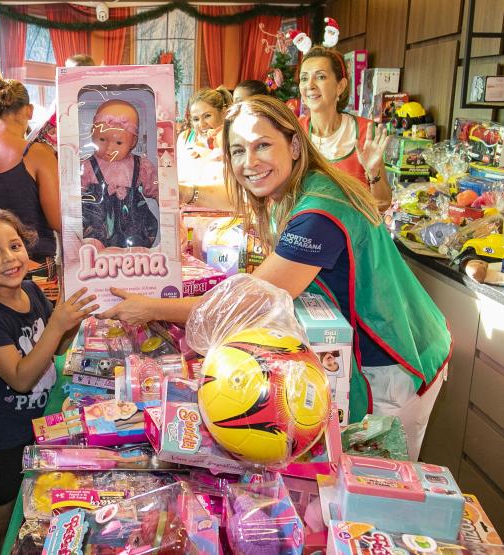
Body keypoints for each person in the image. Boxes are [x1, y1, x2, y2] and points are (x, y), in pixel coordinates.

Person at [101, 96, 451, 460]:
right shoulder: (299, 185)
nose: (249, 162)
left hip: (394, 363)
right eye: (238, 150)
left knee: (374, 487)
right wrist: (174, 190)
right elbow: (232, 192)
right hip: (380, 346)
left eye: (263, 145)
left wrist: (150, 308)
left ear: (294, 144)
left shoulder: (318, 212)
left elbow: (248, 302)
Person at [0, 208, 97, 555]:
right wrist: (56, 325)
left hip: (37, 425)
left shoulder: (32, 293)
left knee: (29, 511)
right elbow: (20, 378)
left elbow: (56, 347)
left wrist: (73, 319)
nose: (9, 259)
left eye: (15, 246)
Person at [0, 69, 61, 301]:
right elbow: (57, 221)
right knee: (41, 333)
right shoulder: (38, 153)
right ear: (29, 110)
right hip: (32, 265)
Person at [297, 45, 391, 210]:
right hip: (306, 232)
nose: (309, 85)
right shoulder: (294, 131)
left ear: (340, 86)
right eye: (304, 78)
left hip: (353, 233)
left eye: (320, 76)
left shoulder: (364, 132)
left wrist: (373, 172)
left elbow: (382, 205)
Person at [81, 99, 159, 249]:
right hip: (97, 225)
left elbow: (158, 192)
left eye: (118, 143)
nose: (109, 148)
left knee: (137, 249)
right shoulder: (87, 166)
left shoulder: (141, 166)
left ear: (133, 142)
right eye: (102, 139)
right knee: (92, 246)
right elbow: (71, 200)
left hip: (133, 227)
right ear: (92, 134)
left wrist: (172, 217)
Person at [177, 87, 234, 210]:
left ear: (223, 113)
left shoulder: (234, 139)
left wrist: (221, 142)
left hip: (224, 215)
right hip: (188, 216)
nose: (201, 124)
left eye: (207, 116)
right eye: (196, 119)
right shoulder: (185, 138)